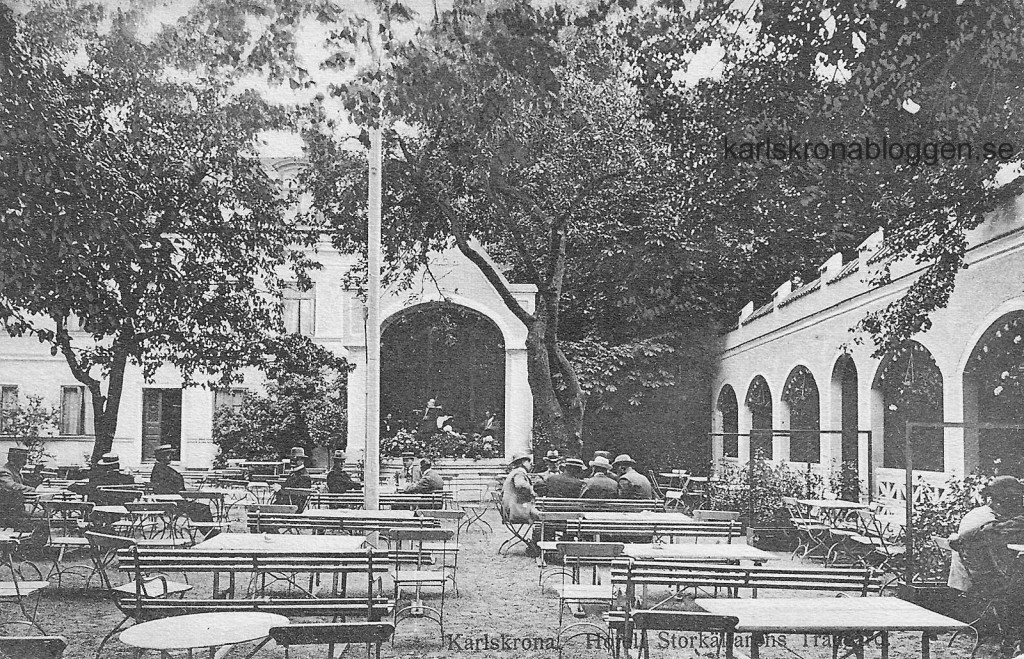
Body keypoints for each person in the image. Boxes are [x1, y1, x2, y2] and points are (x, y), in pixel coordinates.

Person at [948, 475, 1024, 652]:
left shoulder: (984, 516)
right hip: (985, 582)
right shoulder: (990, 521)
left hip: (977, 578)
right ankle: (1014, 641)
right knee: (1018, 589)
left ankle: (1013, 640)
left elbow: (960, 541)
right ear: (1004, 501)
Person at [150, 444, 215, 528]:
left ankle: (210, 531)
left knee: (200, 508)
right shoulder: (160, 471)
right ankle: (210, 533)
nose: (171, 457)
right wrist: (182, 494)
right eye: (168, 455)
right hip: (171, 503)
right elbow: (164, 489)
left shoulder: (163, 468)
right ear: (162, 456)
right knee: (202, 508)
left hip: (174, 501)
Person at [501, 452, 540, 556]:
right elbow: (520, 485)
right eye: (529, 461)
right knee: (541, 515)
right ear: (523, 462)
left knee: (538, 513)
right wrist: (532, 490)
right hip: (514, 510)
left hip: (510, 508)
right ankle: (537, 545)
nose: (532, 464)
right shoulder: (519, 473)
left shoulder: (515, 472)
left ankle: (536, 544)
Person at [0, 447, 38, 530]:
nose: (25, 461)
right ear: (13, 459)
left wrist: (37, 476)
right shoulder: (4, 471)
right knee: (33, 523)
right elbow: (11, 486)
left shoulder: (15, 471)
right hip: (6, 511)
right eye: (22, 458)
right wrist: (32, 489)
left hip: (15, 508)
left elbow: (25, 483)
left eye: (25, 458)